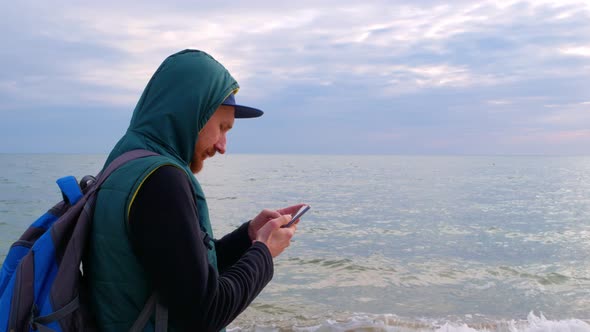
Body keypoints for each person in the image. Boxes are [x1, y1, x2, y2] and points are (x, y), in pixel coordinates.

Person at [85, 49, 304, 331]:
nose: (223, 146)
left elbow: (180, 278)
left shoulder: (125, 163)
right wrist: (264, 253)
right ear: (191, 114)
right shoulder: (161, 181)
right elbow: (205, 312)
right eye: (222, 127)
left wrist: (248, 237)